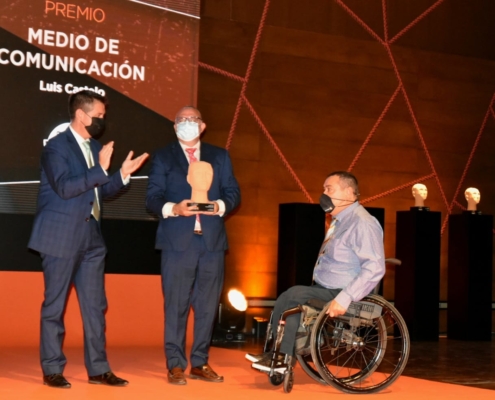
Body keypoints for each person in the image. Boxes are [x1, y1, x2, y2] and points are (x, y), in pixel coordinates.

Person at [28, 90, 149, 388]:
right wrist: (100, 169)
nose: (102, 121)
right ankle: (52, 368)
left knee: (96, 307)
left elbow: (99, 190)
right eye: (99, 116)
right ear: (82, 115)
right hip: (59, 236)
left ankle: (98, 369)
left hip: (91, 239)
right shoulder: (56, 148)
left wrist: (120, 174)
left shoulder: (95, 147)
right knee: (54, 307)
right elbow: (66, 188)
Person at [246, 171, 385, 372]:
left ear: (348, 192)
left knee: (291, 295)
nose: (324, 194)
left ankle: (276, 355)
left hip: (343, 291)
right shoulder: (341, 220)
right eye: (323, 189)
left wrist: (345, 297)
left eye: (329, 189)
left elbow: (375, 266)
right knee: (295, 307)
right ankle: (281, 358)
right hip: (326, 287)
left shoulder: (362, 222)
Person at [146, 106, 241, 385]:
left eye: (193, 119)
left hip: (211, 241)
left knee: (208, 306)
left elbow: (233, 193)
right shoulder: (164, 156)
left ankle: (200, 362)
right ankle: (175, 363)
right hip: (178, 242)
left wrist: (219, 206)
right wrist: (174, 208)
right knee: (176, 304)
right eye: (182, 120)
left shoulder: (220, 156)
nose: (188, 123)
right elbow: (152, 198)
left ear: (202, 126)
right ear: (175, 127)